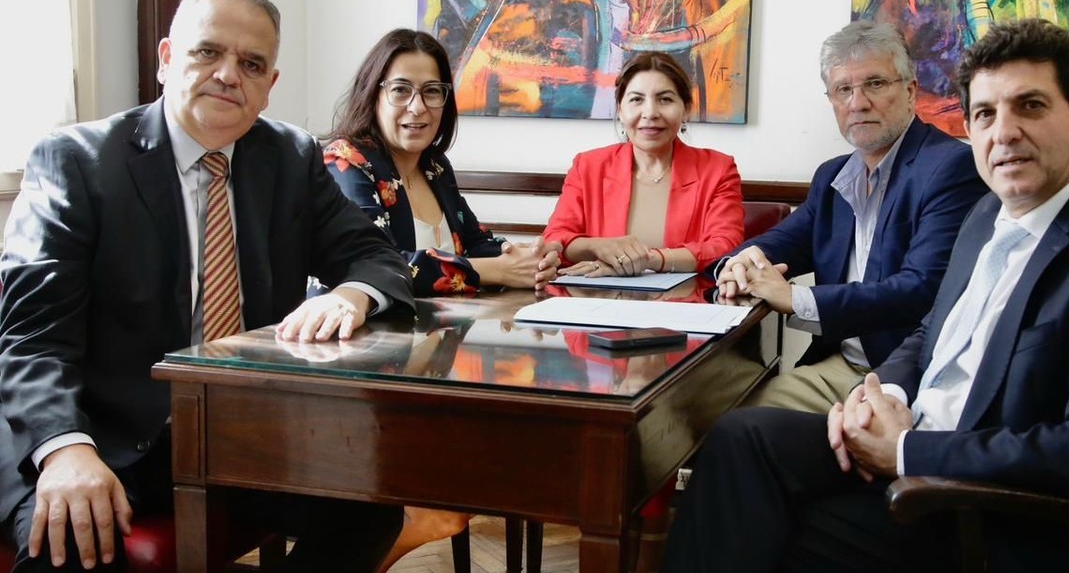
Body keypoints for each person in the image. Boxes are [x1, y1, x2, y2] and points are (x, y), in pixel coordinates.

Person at [663, 19, 1069, 572]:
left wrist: (904, 452)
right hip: (921, 442)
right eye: (985, 114)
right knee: (742, 438)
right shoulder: (990, 211)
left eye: (1031, 106)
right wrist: (883, 394)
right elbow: (930, 330)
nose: (1004, 133)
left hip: (1002, 512)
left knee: (764, 524)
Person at [0, 0, 415, 572]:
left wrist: (351, 295)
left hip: (237, 433)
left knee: (367, 510)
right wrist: (64, 449)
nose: (228, 75)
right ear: (167, 59)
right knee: (68, 548)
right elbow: (32, 339)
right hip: (100, 432)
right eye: (207, 52)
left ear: (269, 87)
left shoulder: (291, 158)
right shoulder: (77, 161)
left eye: (251, 64)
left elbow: (374, 255)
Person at [713, 21, 987, 413]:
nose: (857, 103)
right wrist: (737, 264)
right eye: (843, 89)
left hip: (909, 374)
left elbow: (921, 289)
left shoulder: (950, 167)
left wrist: (796, 299)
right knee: (726, 414)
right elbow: (780, 242)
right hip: (841, 366)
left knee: (748, 427)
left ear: (910, 91)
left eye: (875, 83)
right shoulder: (833, 176)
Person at [323, 29, 560, 296]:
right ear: (372, 95)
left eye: (432, 91)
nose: (417, 107)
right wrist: (499, 270)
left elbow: (475, 242)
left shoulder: (434, 165)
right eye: (400, 90)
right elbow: (378, 265)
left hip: (443, 321)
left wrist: (527, 258)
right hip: (363, 322)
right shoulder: (345, 161)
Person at [543, 51, 744, 277]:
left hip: (687, 297)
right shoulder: (588, 167)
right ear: (620, 110)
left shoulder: (717, 169)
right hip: (597, 296)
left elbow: (725, 245)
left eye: (665, 99)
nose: (650, 113)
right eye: (636, 100)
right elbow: (555, 238)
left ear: (686, 108)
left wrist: (649, 260)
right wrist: (597, 246)